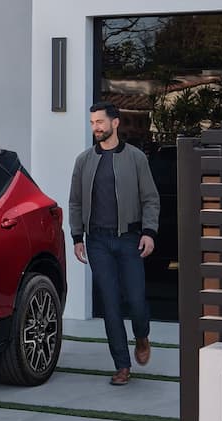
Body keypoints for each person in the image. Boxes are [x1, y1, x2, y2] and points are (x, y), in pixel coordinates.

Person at [69, 102, 160, 386]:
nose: (95, 127)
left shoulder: (135, 158)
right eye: (92, 122)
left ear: (115, 123)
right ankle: (122, 365)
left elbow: (150, 198)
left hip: (129, 239)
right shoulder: (84, 160)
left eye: (100, 122)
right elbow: (75, 201)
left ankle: (142, 335)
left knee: (135, 300)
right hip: (97, 241)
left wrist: (149, 232)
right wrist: (76, 237)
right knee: (110, 305)